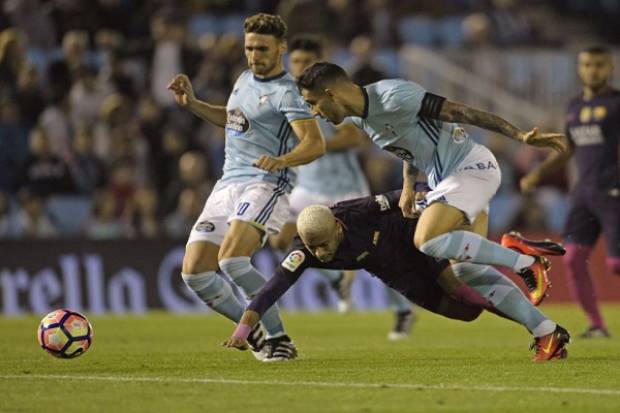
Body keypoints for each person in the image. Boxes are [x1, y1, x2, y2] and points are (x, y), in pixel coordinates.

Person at [296, 62, 566, 306]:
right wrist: (407, 185)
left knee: (426, 240)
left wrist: (519, 135)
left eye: (312, 102)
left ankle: (525, 262)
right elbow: (408, 146)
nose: (314, 112)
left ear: (331, 94)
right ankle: (546, 333)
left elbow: (462, 112)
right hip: (443, 179)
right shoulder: (359, 119)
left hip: (468, 166)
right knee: (466, 269)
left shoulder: (394, 96)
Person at [224, 191, 570, 362]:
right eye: (314, 249)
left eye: (325, 245)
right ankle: (515, 263)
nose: (321, 254)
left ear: (338, 227)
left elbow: (398, 197)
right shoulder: (303, 254)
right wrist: (243, 329)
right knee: (465, 312)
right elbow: (272, 288)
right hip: (393, 273)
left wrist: (440, 205)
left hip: (412, 240)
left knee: (461, 286)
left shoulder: (355, 212)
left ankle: (542, 328)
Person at [167, 13, 325, 362]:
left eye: (262, 48)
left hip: (266, 184)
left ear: (281, 48)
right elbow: (233, 119)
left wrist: (281, 161)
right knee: (194, 273)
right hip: (227, 184)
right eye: (249, 48)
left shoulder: (289, 92)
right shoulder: (243, 79)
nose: (254, 55)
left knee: (234, 261)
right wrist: (192, 104)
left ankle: (280, 338)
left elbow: (315, 144)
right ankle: (255, 335)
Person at [268, 34, 414, 338]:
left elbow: (355, 138)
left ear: (321, 59)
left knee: (377, 252)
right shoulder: (285, 100)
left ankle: (402, 311)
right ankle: (338, 282)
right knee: (279, 236)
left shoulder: (333, 94)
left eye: (306, 62)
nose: (299, 68)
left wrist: (315, 145)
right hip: (307, 186)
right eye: (295, 62)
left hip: (345, 187)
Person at [520, 46, 619, 338]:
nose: (592, 70)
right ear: (579, 68)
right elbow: (568, 149)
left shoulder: (616, 103)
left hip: (613, 192)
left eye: (599, 65)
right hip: (584, 195)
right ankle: (597, 325)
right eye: (587, 64)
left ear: (610, 68)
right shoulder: (574, 106)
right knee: (574, 260)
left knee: (615, 265)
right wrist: (537, 173)